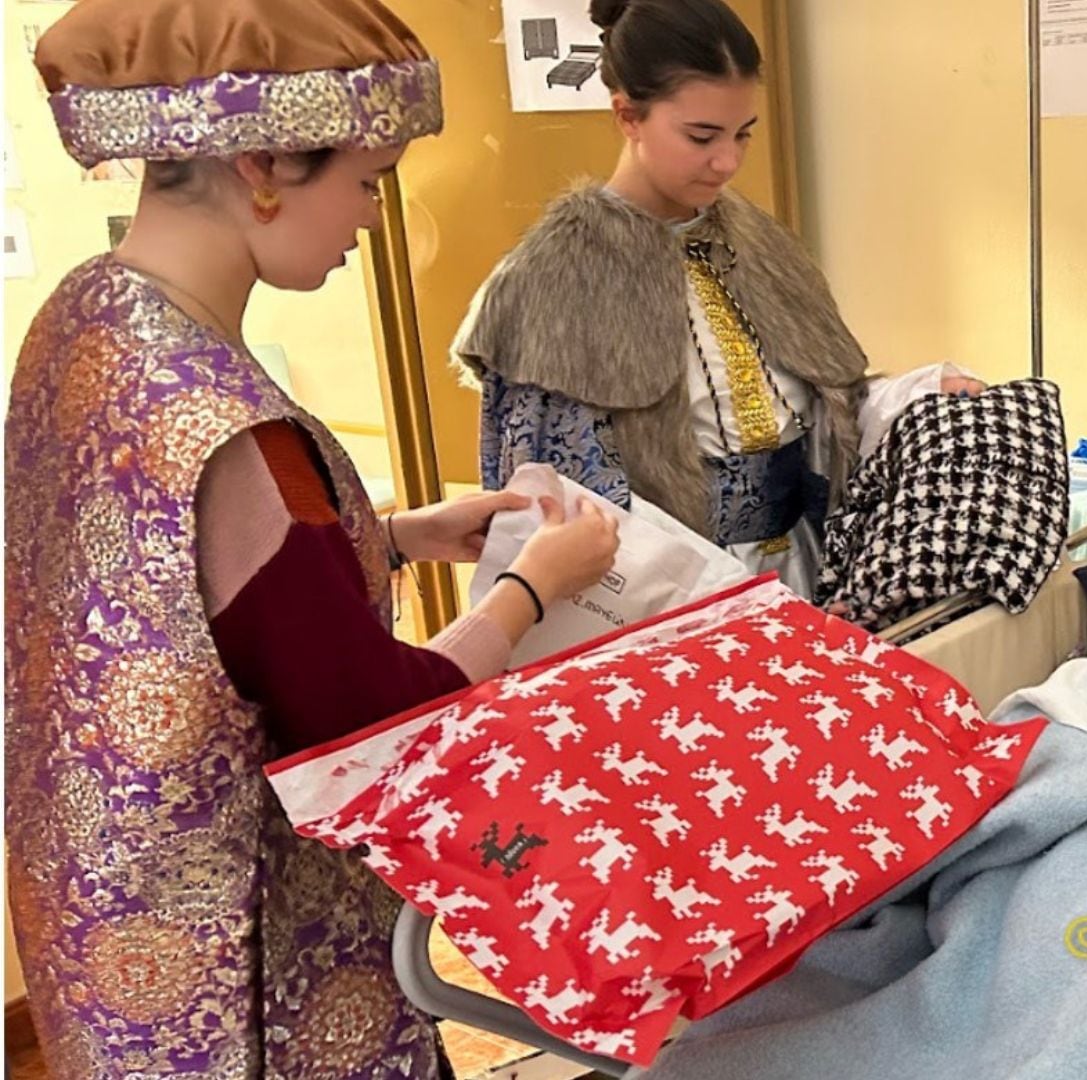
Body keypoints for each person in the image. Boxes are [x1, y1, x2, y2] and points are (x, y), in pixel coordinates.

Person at [4, 0, 618, 1074]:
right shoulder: (226, 424)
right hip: (236, 965)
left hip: (97, 905)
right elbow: (370, 719)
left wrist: (398, 537)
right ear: (261, 165)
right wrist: (527, 590)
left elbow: (161, 587)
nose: (373, 217)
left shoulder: (84, 320)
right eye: (369, 179)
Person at [455, 0, 984, 599]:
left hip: (802, 568)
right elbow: (558, 503)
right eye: (701, 136)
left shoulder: (757, 241)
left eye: (743, 135)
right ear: (628, 115)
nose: (727, 162)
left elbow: (823, 408)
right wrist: (715, 592)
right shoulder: (550, 282)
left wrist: (918, 393)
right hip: (665, 596)